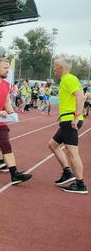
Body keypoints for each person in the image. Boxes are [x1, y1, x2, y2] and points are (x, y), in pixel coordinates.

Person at [48, 59, 86, 194]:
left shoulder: (69, 79)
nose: (54, 70)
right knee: (52, 144)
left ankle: (80, 184)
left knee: (72, 152)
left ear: (60, 68)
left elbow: (80, 97)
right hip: (67, 119)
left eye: (55, 67)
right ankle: (67, 172)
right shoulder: (66, 79)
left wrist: (76, 116)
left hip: (71, 121)